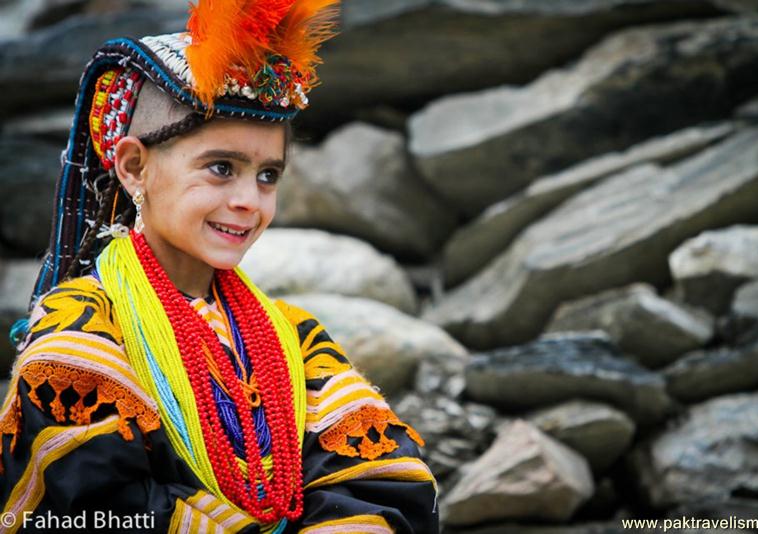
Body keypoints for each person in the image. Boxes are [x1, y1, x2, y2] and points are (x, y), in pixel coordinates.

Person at [0, 1, 439, 532]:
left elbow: (381, 483)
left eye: (268, 175)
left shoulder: (294, 340)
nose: (249, 201)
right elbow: (90, 507)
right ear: (134, 166)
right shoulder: (81, 330)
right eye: (221, 168)